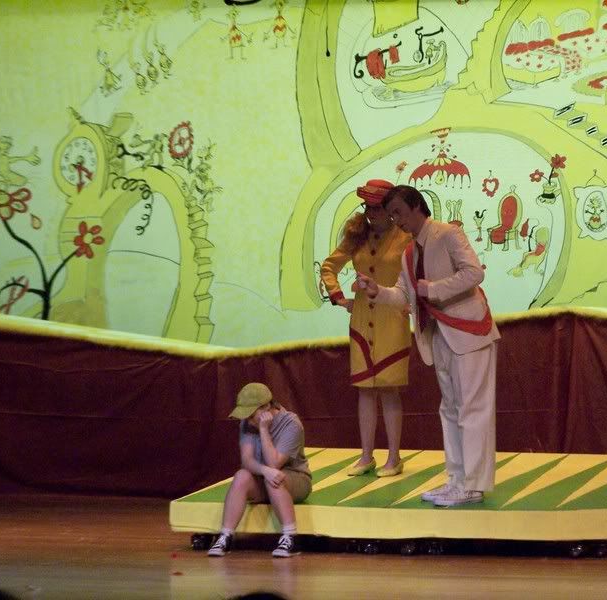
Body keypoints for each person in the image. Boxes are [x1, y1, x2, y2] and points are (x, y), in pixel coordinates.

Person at [356, 185, 500, 506]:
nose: (396, 220)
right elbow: (404, 294)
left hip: (470, 332)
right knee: (450, 409)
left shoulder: (447, 234)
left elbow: (474, 273)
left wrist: (433, 289)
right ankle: (457, 480)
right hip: (438, 335)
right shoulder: (409, 252)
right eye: (392, 215)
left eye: (398, 212)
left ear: (417, 206)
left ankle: (473, 485)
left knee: (472, 410)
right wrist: (377, 291)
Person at [321, 179, 412, 477]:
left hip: (392, 319)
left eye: (377, 208)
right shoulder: (356, 235)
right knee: (364, 390)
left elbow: (419, 272)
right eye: (367, 207)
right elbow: (329, 267)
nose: (371, 214)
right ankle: (365, 456)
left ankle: (394, 457)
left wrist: (415, 302)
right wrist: (339, 298)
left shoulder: (406, 237)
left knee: (389, 388)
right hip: (361, 320)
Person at [207, 383, 312, 558]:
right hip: (264, 477)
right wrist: (264, 471)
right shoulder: (247, 423)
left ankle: (291, 537)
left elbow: (274, 463)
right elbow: (247, 460)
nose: (247, 420)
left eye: (250, 415)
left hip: (296, 479)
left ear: (266, 407)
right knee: (241, 476)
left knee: (274, 478)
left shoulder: (291, 424)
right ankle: (226, 536)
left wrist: (264, 430)